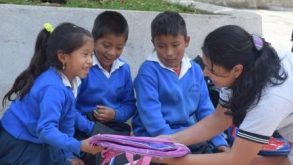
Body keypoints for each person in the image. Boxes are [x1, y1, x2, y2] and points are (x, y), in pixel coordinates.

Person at [155, 25, 293, 165]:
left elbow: (236, 160)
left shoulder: (271, 99)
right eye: (205, 65)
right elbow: (220, 118)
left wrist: (169, 159)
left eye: (211, 69)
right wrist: (169, 140)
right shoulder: (248, 66)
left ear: (236, 70)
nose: (205, 72)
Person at [0, 22, 102, 164]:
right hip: (19, 144)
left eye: (92, 54)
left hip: (38, 139)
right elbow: (46, 129)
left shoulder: (73, 81)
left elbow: (67, 122)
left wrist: (69, 155)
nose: (90, 61)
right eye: (85, 54)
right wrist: (79, 146)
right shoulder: (53, 87)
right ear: (63, 57)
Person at [132, 11, 228, 154]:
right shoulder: (148, 71)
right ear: (153, 43)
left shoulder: (195, 70)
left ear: (187, 41)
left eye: (175, 45)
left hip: (190, 135)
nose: (169, 52)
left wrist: (219, 141)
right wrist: (172, 144)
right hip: (156, 138)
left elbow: (206, 110)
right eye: (161, 46)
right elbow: (151, 117)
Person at [75, 11, 136, 164]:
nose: (111, 53)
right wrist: (91, 127)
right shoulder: (84, 68)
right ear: (94, 40)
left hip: (114, 128)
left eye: (119, 48)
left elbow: (130, 105)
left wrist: (115, 114)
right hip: (85, 128)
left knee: (131, 156)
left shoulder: (124, 69)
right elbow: (69, 108)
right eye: (106, 45)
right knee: (102, 157)